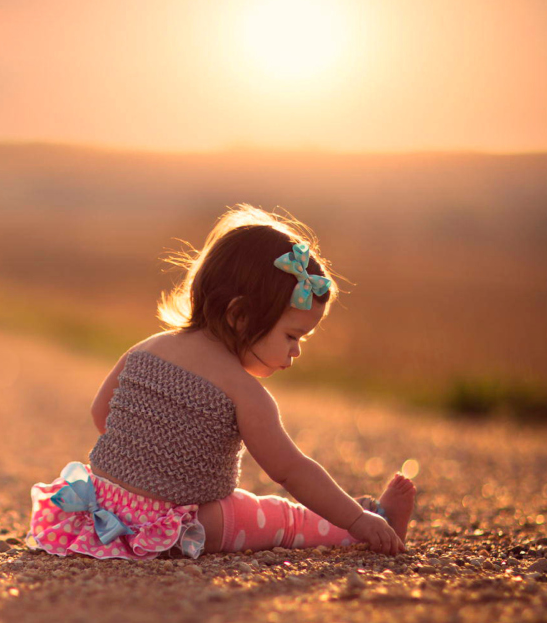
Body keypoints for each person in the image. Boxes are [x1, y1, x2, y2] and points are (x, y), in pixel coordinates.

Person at [26, 204, 416, 560]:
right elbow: (292, 471)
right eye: (292, 337)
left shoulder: (147, 347)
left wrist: (147, 457)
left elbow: (102, 415)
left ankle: (360, 510)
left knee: (247, 504)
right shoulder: (244, 392)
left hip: (101, 510)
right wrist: (356, 520)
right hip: (175, 529)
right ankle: (364, 524)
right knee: (275, 515)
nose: (295, 352)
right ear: (240, 316)